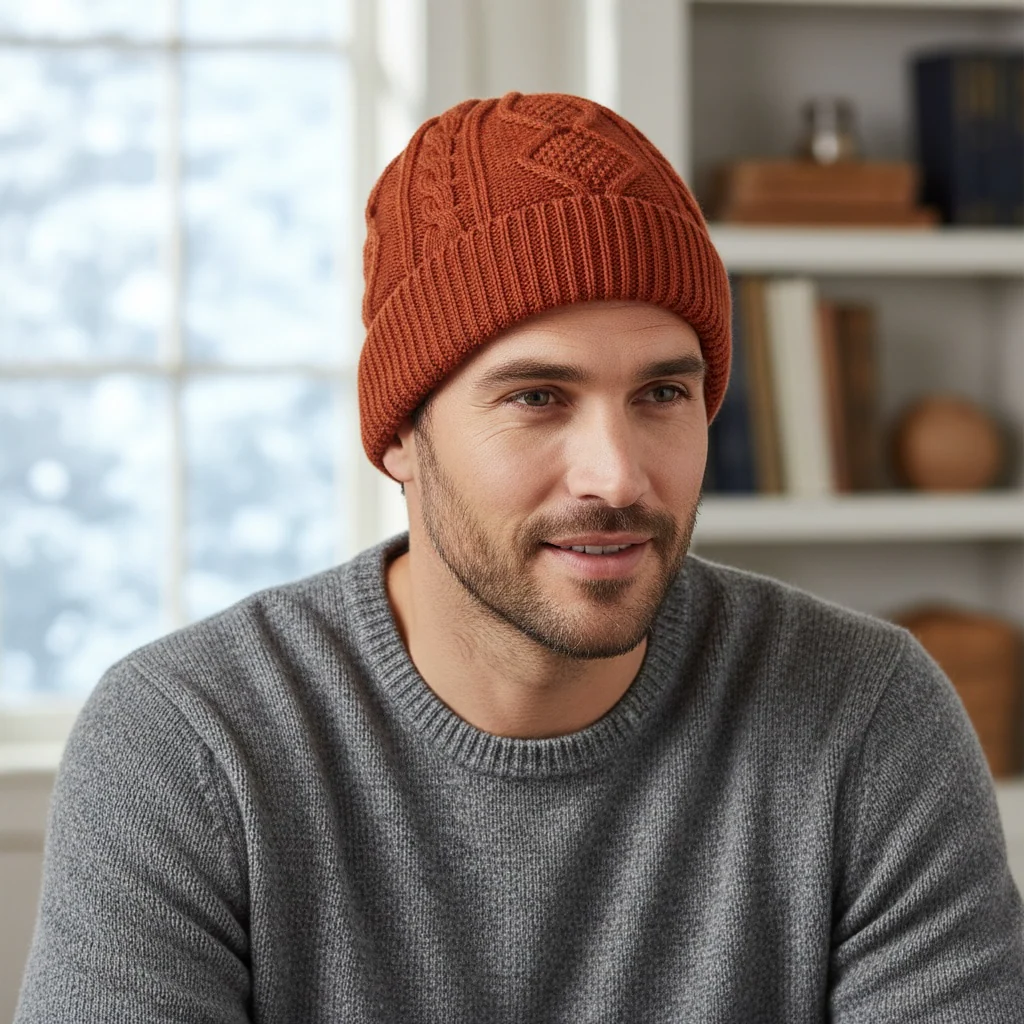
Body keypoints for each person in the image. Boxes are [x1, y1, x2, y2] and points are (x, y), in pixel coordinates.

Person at [14, 91, 1024, 1023]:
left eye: (662, 395)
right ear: (401, 437)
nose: (617, 476)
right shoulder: (189, 745)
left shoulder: (867, 717)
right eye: (537, 397)